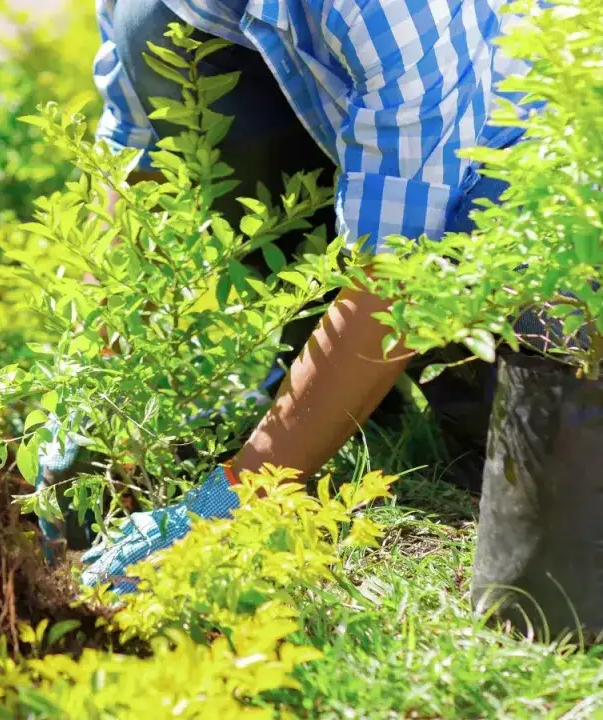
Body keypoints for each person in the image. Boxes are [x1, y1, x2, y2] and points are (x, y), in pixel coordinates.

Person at [72, 0, 532, 592]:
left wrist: (235, 498)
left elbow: (398, 278)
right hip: (390, 129)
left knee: (529, 442)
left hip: (530, 166)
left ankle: (352, 393)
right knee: (153, 20)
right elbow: (136, 159)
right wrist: (96, 376)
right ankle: (315, 377)